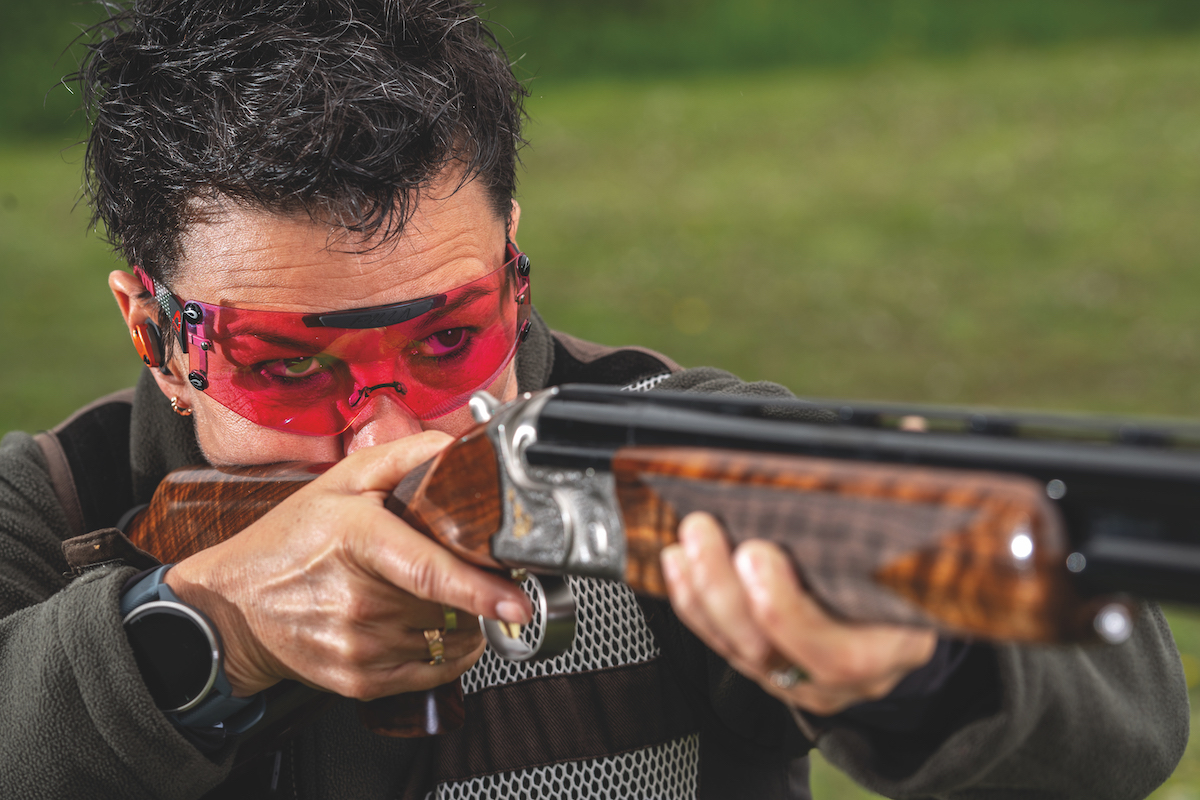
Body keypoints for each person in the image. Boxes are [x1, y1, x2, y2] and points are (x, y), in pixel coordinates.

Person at [0, 0, 1188, 797]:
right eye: (290, 365)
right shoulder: (54, 507)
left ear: (513, 261)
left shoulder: (662, 440)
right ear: (155, 333)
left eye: (449, 337)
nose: (393, 428)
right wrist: (212, 628)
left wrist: (922, 668)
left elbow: (1126, 710)